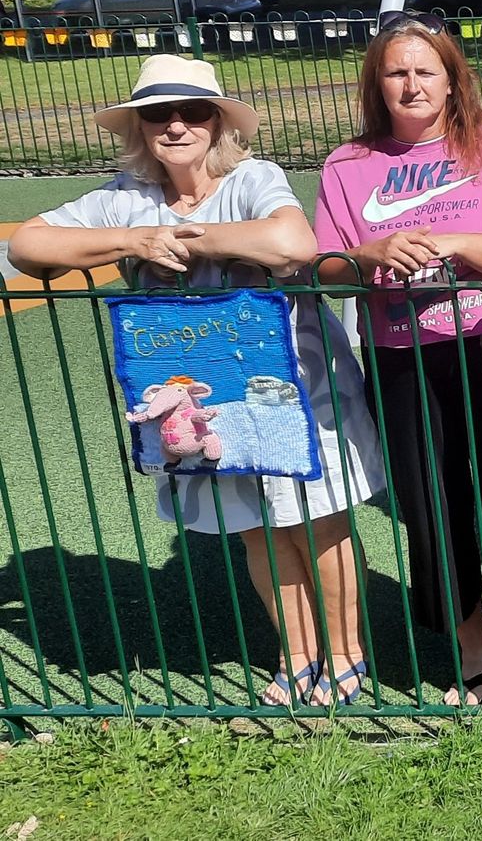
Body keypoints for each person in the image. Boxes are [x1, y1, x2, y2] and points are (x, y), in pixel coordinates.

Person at [9, 56, 384, 707]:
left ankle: (347, 655)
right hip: (200, 403)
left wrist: (189, 240)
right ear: (139, 125)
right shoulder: (124, 196)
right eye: (158, 113)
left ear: (218, 123)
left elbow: (291, 244)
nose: (176, 125)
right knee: (256, 531)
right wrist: (135, 237)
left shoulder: (253, 177)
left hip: (294, 387)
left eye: (193, 112)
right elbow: (29, 247)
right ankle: (298, 657)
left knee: (318, 522)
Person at [313, 12, 482, 704]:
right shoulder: (347, 164)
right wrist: (368, 254)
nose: (412, 83)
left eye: (427, 70)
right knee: (430, 499)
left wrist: (452, 240)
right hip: (400, 352)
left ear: (452, 81)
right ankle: (470, 639)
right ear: (377, 84)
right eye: (397, 72)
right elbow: (323, 265)